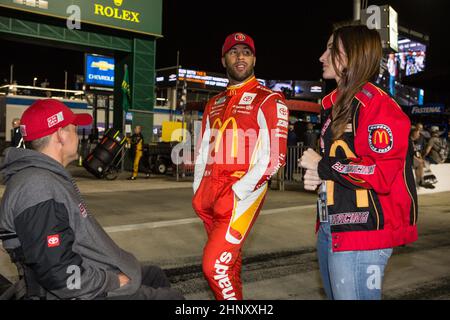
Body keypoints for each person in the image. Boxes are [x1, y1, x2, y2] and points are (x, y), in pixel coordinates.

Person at [0, 99, 183, 300]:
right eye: (74, 129)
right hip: (83, 290)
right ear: (60, 135)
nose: (77, 136)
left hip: (92, 270)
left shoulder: (44, 178)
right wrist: (111, 281)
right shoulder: (36, 186)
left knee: (154, 275)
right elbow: (60, 275)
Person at [299, 25, 418, 300]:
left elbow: (381, 171)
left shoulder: (379, 107)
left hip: (363, 233)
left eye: (331, 49)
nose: (322, 56)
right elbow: (346, 162)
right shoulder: (335, 105)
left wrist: (324, 166)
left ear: (352, 56)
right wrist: (321, 176)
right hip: (332, 226)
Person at [192, 32, 288, 300]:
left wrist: (238, 191)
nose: (240, 57)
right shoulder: (214, 103)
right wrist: (198, 189)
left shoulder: (269, 99)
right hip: (208, 195)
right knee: (230, 265)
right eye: (234, 52)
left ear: (254, 58)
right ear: (224, 60)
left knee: (214, 267)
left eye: (246, 52)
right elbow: (203, 152)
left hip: (240, 196)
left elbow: (275, 158)